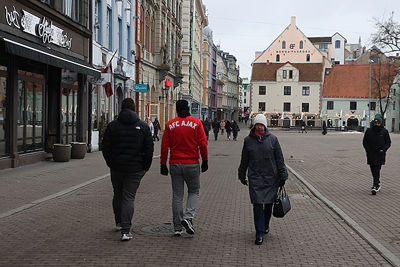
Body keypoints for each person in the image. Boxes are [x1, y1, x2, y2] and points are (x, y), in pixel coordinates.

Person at [102, 98, 154, 241]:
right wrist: (146, 167)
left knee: (117, 194)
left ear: (121, 108)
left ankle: (119, 222)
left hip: (117, 167)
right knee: (128, 197)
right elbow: (149, 149)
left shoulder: (112, 126)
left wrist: (110, 162)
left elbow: (105, 147)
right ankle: (126, 230)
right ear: (134, 109)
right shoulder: (143, 126)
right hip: (136, 168)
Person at [238, 114, 288, 245]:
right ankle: (259, 232)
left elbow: (279, 159)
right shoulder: (248, 140)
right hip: (255, 178)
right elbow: (244, 159)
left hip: (271, 177)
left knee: (268, 205)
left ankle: (265, 225)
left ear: (265, 126)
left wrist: (283, 175)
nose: (259, 127)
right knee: (258, 205)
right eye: (257, 124)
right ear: (254, 125)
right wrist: (241, 174)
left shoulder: (273, 140)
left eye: (261, 125)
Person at [160, 100, 208, 236]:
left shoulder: (170, 124)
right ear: (187, 108)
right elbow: (203, 144)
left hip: (175, 162)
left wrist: (163, 164)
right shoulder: (196, 123)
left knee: (177, 195)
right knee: (194, 191)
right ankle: (188, 218)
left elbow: (164, 147)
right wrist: (205, 160)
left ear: (176, 109)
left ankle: (177, 227)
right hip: (192, 163)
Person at [362, 114, 391, 195]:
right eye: (375, 123)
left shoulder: (384, 131)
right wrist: (367, 150)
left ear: (380, 123)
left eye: (378, 123)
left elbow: (388, 142)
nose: (377, 124)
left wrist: (383, 149)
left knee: (377, 169)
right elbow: (365, 142)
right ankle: (377, 182)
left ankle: (375, 185)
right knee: (372, 169)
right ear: (373, 123)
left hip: (380, 153)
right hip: (371, 153)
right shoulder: (369, 131)